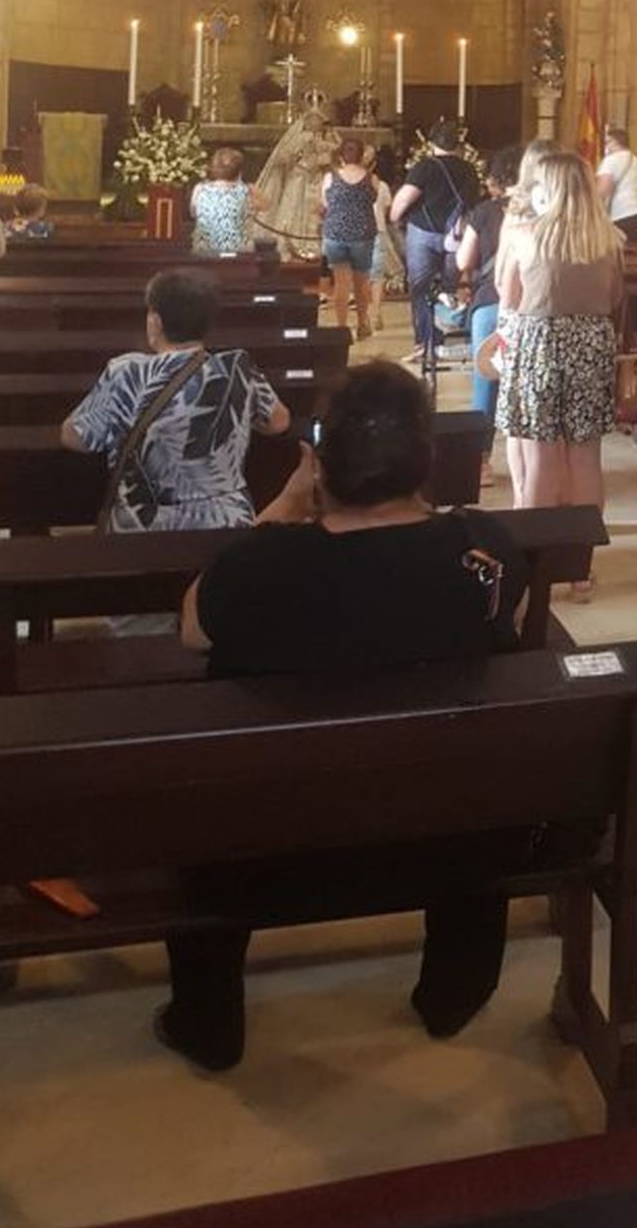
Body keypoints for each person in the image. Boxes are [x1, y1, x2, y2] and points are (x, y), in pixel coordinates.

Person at [162, 362, 531, 1072]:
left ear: (321, 464)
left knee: (199, 801)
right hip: (450, 832)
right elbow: (508, 618)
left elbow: (192, 629)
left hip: (271, 847)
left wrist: (284, 505)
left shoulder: (267, 562)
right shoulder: (479, 549)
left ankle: (206, 1020)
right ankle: (453, 991)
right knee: (483, 781)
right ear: (424, 459)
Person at [62, 269, 290, 530]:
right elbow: (278, 422)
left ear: (155, 321)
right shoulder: (238, 368)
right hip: (225, 528)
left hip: (143, 526)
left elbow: (74, 437)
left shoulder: (127, 372)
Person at [493, 149, 624, 514]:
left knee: (541, 457)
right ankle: (580, 563)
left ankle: (540, 559)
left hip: (539, 343)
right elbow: (614, 297)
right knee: (586, 458)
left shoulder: (524, 234)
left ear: (549, 188)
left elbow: (509, 297)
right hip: (591, 341)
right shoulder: (609, 239)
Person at [389, 121, 481, 365]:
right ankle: (444, 343)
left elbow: (404, 199)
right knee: (449, 290)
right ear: (458, 145)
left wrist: (395, 218)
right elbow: (474, 205)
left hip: (423, 233)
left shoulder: (425, 167)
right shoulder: (469, 170)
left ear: (431, 144)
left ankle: (425, 345)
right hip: (457, 236)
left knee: (421, 289)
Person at [455, 145, 519, 487]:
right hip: (531, 305)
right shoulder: (543, 211)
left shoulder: (484, 211)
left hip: (492, 301)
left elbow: (465, 259)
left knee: (487, 379)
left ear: (497, 178)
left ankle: (481, 462)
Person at [253, 101, 336, 258]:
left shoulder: (329, 140)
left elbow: (334, 157)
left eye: (319, 122)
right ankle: (292, 243)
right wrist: (300, 157)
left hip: (318, 181)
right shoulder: (300, 138)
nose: (316, 124)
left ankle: (314, 244)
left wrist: (324, 157)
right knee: (294, 209)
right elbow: (283, 158)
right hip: (298, 179)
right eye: (313, 121)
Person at [320, 137, 379, 338]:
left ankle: (341, 326)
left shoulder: (330, 178)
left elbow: (325, 204)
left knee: (341, 283)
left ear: (341, 155)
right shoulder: (371, 178)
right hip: (362, 234)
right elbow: (374, 199)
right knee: (361, 283)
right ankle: (362, 324)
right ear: (362, 155)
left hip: (336, 234)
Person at [596, 124, 637, 248]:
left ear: (612, 142)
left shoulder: (612, 160)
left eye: (606, 143)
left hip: (625, 216)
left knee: (622, 257)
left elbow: (602, 191)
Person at [363, 145, 401, 331]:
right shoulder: (383, 186)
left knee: (360, 277)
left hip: (355, 234)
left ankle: (363, 316)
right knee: (377, 277)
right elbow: (387, 212)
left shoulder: (342, 182)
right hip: (377, 232)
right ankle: (375, 314)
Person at [190, 148, 254, 256]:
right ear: (239, 173)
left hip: (204, 255)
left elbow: (193, 213)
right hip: (239, 256)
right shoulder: (247, 190)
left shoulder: (200, 189)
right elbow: (266, 208)